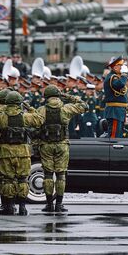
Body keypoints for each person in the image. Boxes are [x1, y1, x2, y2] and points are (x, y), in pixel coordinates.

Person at [0, 91, 43, 216]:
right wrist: (30, 108)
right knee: (22, 180)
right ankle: (22, 206)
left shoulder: (0, 117)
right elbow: (40, 120)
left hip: (5, 153)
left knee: (8, 180)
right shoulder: (25, 116)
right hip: (23, 152)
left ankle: (9, 206)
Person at [36, 85, 87, 213]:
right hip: (62, 145)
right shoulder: (66, 109)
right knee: (61, 175)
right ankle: (59, 204)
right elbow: (84, 105)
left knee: (48, 175)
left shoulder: (41, 110)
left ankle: (49, 204)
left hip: (46, 145)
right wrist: (68, 96)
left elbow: (33, 126)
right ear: (58, 96)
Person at [103, 57, 128, 138]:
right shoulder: (112, 77)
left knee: (119, 134)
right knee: (114, 135)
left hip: (118, 110)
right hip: (114, 111)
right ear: (115, 67)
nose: (122, 67)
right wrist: (124, 74)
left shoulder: (117, 77)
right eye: (121, 65)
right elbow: (119, 85)